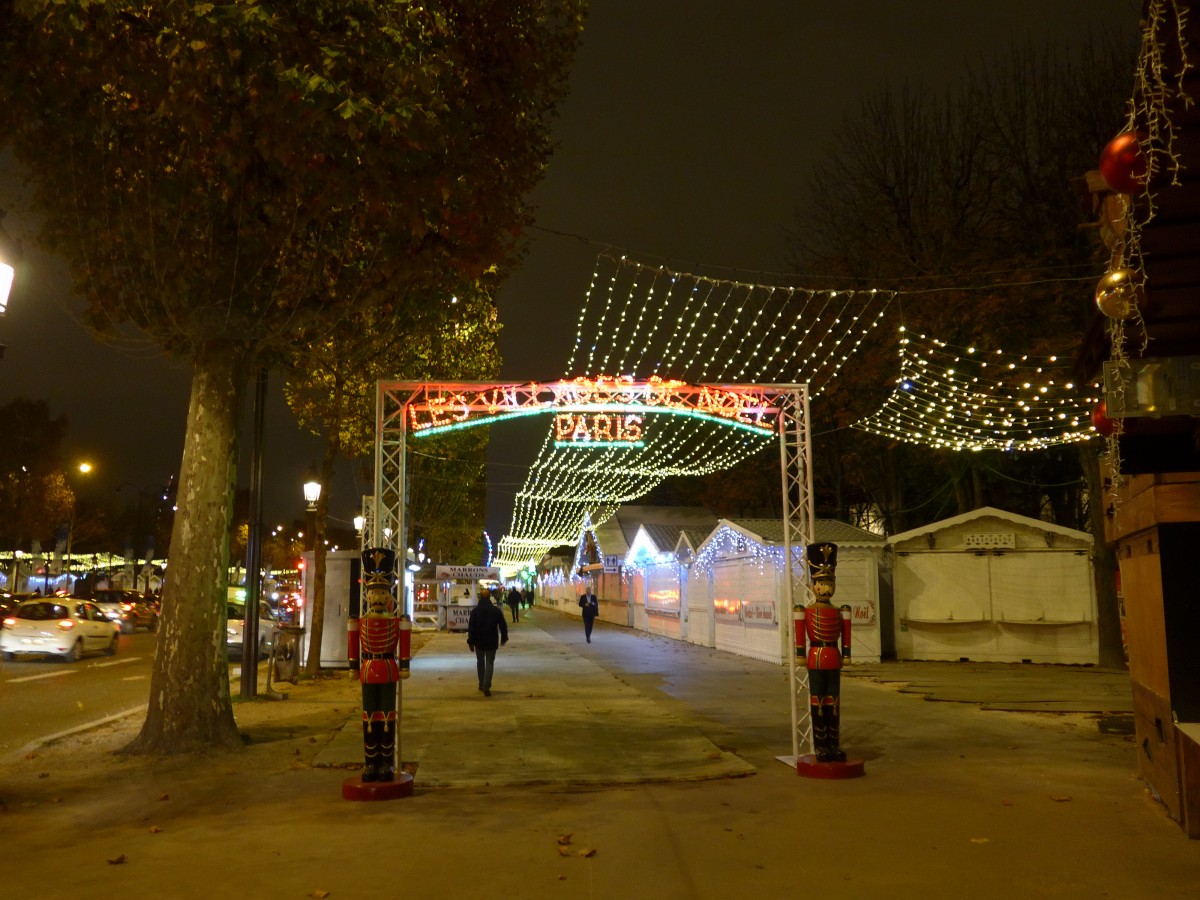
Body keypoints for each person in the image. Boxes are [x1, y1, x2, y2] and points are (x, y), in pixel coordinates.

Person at [347, 547, 411, 782]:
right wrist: (353, 667)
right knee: (368, 715)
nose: (377, 597)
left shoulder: (396, 621)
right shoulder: (359, 621)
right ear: (368, 596)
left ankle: (386, 763)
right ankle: (370, 762)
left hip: (388, 669)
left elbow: (404, 643)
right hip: (368, 669)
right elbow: (353, 645)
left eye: (382, 592)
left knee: (387, 716)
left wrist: (404, 665)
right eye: (373, 592)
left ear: (388, 596)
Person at [795, 542, 851, 762]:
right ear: (813, 585)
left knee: (834, 701)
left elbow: (845, 633)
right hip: (816, 657)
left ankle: (833, 744)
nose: (826, 589)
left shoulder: (840, 610)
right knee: (818, 700)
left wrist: (846, 654)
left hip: (833, 657)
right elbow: (800, 633)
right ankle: (821, 745)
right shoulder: (806, 611)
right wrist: (800, 653)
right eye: (822, 584)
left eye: (830, 583)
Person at [467, 589, 508, 696]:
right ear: (490, 597)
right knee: (490, 662)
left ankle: (481, 684)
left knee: (480, 662)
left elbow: (471, 628)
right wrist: (504, 637)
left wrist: (471, 642)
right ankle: (486, 686)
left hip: (479, 641)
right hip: (491, 640)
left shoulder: (475, 611)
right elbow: (503, 625)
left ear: (480, 597)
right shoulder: (495, 611)